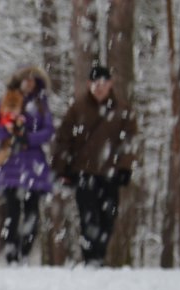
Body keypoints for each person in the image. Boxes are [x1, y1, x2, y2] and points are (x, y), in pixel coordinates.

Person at [51, 64, 139, 266]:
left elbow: (129, 141)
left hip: (111, 173)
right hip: (84, 171)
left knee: (108, 217)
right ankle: (92, 258)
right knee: (88, 217)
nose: (99, 87)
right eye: (95, 83)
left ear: (110, 84)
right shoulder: (77, 109)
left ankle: (99, 254)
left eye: (103, 83)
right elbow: (64, 140)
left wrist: (125, 167)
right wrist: (61, 169)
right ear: (89, 84)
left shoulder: (122, 110)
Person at [0, 65, 55, 264]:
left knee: (32, 211)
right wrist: (8, 132)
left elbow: (48, 131)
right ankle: (11, 252)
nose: (29, 84)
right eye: (26, 80)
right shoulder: (6, 101)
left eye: (33, 80)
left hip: (34, 165)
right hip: (10, 163)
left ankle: (25, 252)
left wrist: (28, 138)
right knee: (12, 210)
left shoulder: (41, 105)